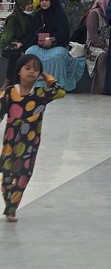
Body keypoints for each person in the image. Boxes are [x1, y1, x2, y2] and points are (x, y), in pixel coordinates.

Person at [0, 54, 65, 221]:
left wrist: (47, 78)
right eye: (27, 68)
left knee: (24, 175)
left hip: (30, 144)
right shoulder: (9, 93)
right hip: (10, 144)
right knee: (7, 176)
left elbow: (60, 92)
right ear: (19, 71)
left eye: (36, 70)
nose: (32, 72)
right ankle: (9, 201)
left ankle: (12, 207)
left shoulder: (41, 94)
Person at [23, 0, 85, 92]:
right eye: (42, 0)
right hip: (39, 46)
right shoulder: (37, 15)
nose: (44, 3)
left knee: (58, 56)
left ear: (51, 1)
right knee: (30, 52)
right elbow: (31, 33)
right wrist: (39, 40)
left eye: (46, 0)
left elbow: (64, 32)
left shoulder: (59, 15)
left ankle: (56, 85)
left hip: (57, 45)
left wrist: (52, 40)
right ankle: (36, 85)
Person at [0, 0, 33, 84]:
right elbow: (9, 37)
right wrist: (18, 43)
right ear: (21, 5)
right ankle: (8, 82)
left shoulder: (29, 17)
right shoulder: (13, 19)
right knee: (16, 55)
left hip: (24, 43)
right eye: (27, 4)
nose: (30, 6)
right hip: (11, 44)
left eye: (31, 3)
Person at [84, 0, 111, 93]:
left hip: (107, 45)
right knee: (103, 56)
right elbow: (93, 36)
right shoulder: (94, 13)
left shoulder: (110, 14)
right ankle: (100, 89)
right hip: (93, 47)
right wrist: (104, 47)